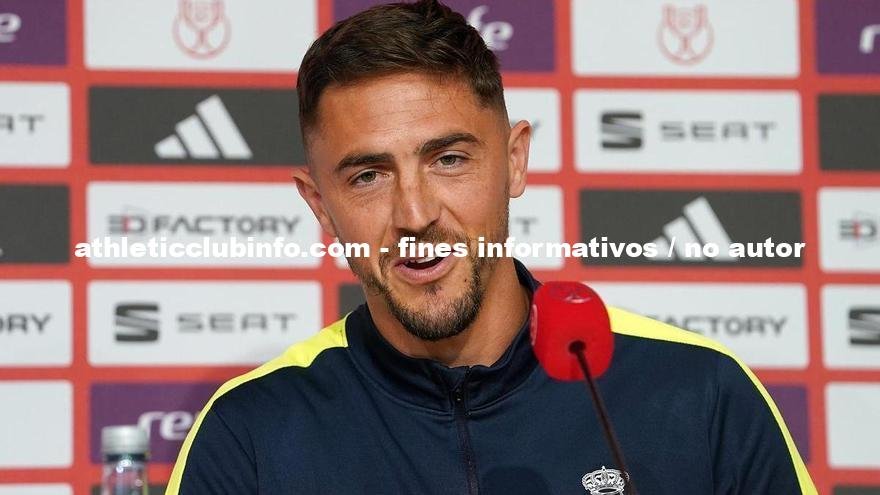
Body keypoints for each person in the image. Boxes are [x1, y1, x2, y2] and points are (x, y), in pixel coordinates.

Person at [166, 1, 817, 493]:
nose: (416, 215)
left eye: (448, 159)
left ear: (514, 161)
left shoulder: (699, 394)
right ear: (319, 206)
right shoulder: (250, 434)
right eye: (368, 176)